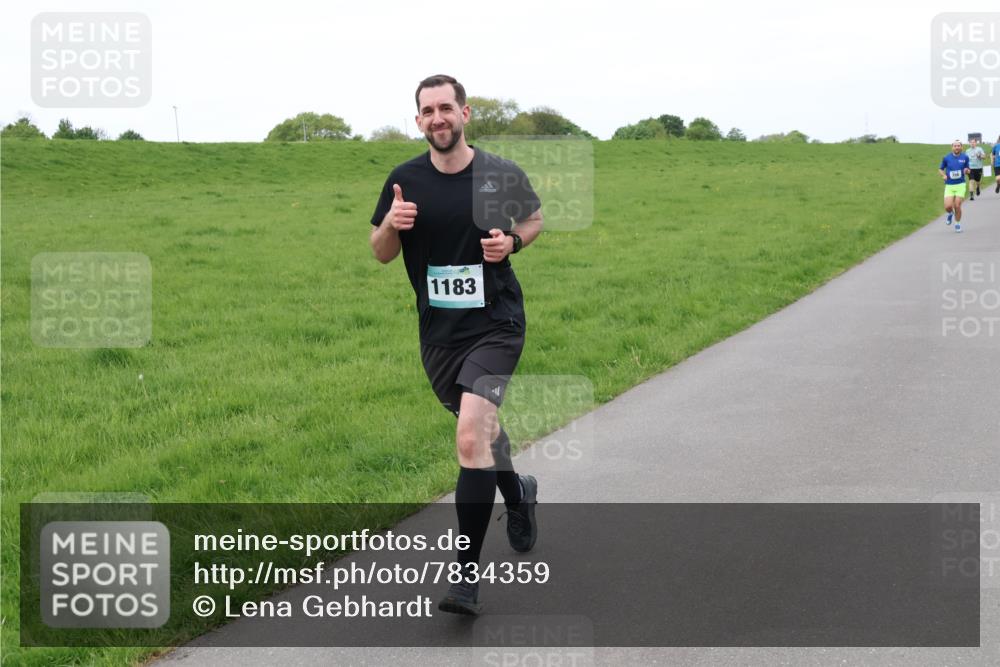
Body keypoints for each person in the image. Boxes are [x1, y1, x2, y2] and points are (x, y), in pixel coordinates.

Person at [369, 74, 544, 615]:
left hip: (496, 325)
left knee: (470, 437)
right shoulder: (404, 180)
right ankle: (518, 494)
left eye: (447, 107)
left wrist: (511, 242)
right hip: (439, 335)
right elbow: (379, 252)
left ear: (465, 113)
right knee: (482, 435)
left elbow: (534, 220)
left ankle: (465, 578)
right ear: (418, 120)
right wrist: (392, 226)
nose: (438, 118)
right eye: (428, 111)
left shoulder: (498, 173)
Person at [939, 140, 970, 233]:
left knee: (957, 205)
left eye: (958, 146)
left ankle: (957, 224)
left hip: (960, 184)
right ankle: (950, 213)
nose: (957, 147)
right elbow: (940, 169)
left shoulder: (965, 157)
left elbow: (968, 169)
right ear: (952, 147)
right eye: (955, 146)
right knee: (948, 206)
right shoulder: (946, 158)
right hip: (949, 185)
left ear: (961, 147)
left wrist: (967, 171)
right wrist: (943, 175)